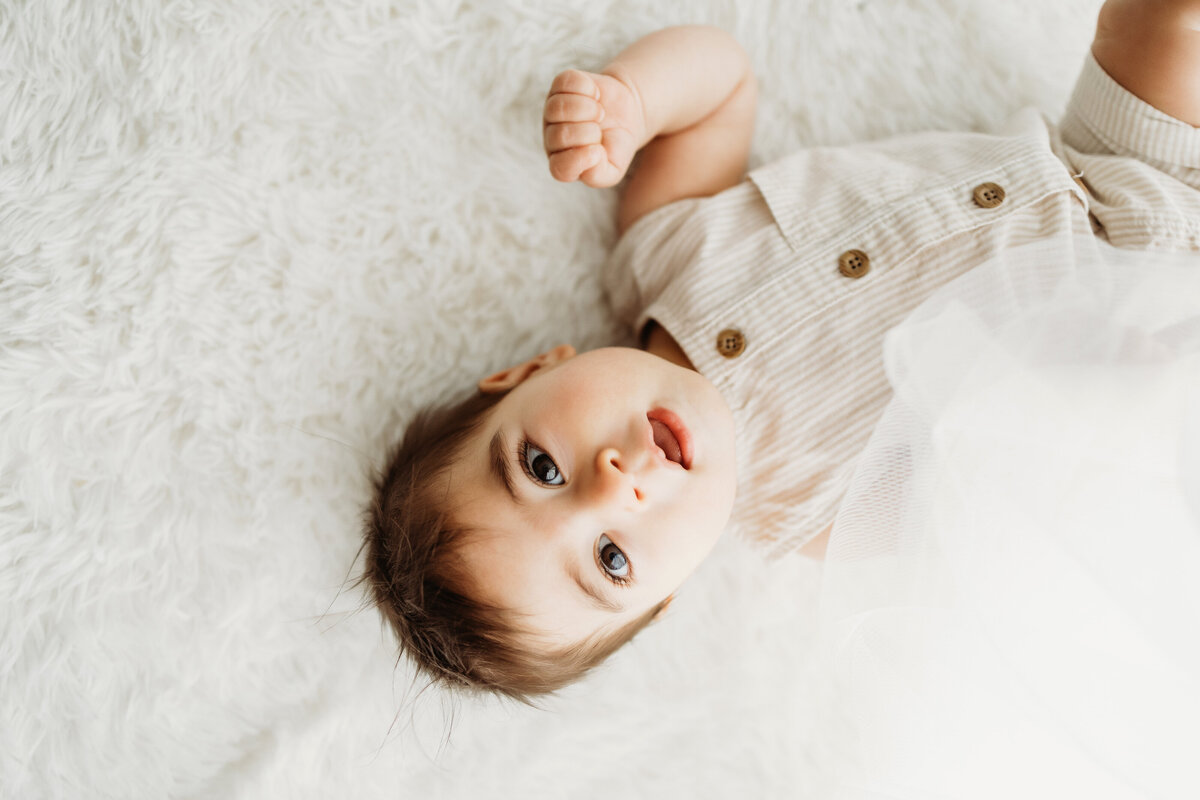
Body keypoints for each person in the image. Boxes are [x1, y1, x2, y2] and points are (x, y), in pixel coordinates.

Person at [362, 1, 1200, 700]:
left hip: (1101, 159)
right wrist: (1116, 385)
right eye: (612, 559)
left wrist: (631, 101)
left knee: (1161, 22)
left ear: (527, 373)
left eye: (542, 467)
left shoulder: (668, 249)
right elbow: (1022, 481)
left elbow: (721, 82)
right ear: (667, 596)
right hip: (1156, 294)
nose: (616, 484)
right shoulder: (817, 512)